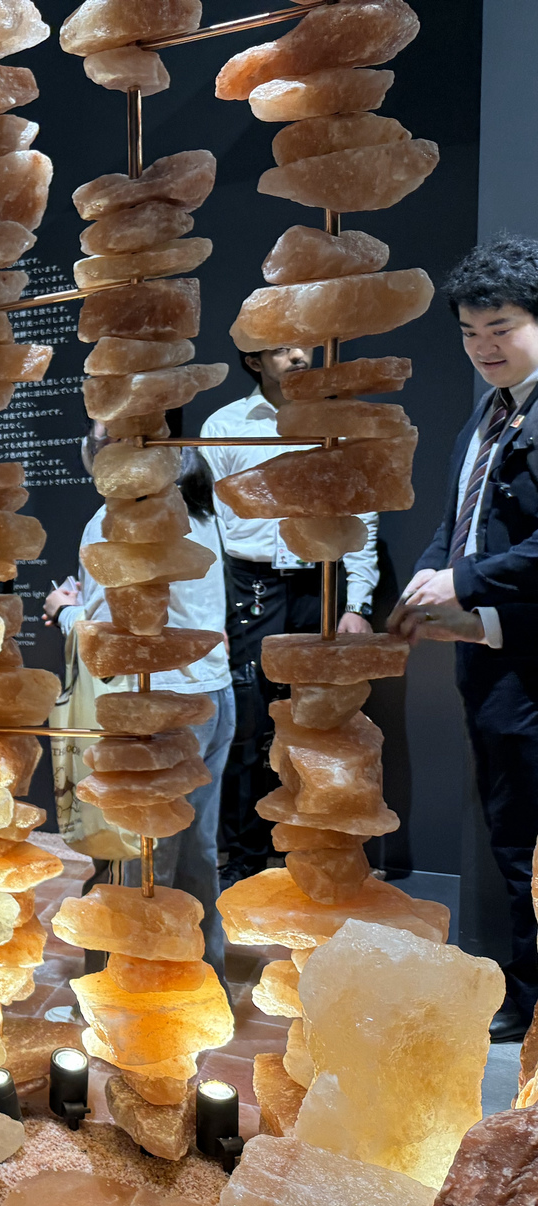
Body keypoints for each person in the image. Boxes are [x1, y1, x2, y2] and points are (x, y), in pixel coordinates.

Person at [387, 234, 538, 1042]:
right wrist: (429, 576)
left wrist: (467, 585)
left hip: (530, 664)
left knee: (528, 847)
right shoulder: (488, 413)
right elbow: (456, 523)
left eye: (502, 329)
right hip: (489, 663)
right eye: (471, 333)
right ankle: (526, 999)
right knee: (512, 839)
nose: (484, 348)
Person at [46, 425, 235, 981]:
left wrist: (62, 609)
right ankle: (202, 979)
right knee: (197, 847)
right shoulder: (196, 513)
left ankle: (126, 985)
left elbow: (109, 643)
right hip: (210, 694)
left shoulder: (111, 523)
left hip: (152, 705)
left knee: (137, 852)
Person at [198, 350, 379, 890]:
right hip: (250, 586)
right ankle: (248, 856)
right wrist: (212, 611)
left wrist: (357, 603)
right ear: (254, 358)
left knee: (325, 723)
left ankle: (321, 850)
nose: (299, 353)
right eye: (282, 346)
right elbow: (208, 526)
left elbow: (362, 512)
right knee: (249, 723)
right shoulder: (225, 425)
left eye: (305, 341)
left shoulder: (336, 420)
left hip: (321, 582)